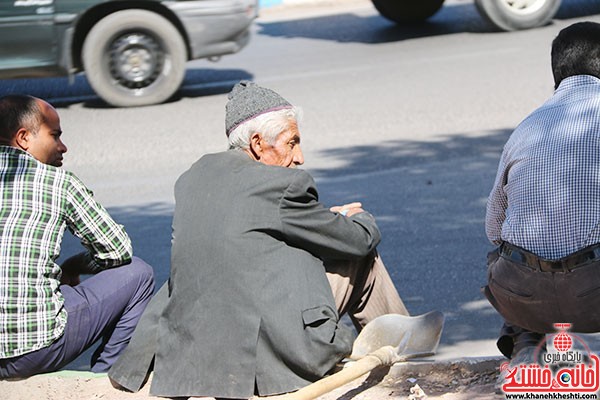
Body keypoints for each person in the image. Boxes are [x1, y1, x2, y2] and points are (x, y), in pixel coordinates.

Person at [109, 81, 411, 398]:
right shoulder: (282, 186)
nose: (300, 157)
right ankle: (406, 355)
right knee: (363, 257)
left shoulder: (193, 178)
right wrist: (358, 219)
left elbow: (255, 233)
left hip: (193, 348)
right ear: (257, 143)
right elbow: (357, 240)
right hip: (263, 349)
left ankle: (403, 349)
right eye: (291, 143)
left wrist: (324, 222)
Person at [0, 95, 155, 378]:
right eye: (55, 135)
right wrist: (74, 266)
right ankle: (108, 378)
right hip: (35, 349)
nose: (63, 147)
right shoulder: (57, 183)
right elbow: (117, 250)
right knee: (139, 273)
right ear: (23, 138)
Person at [483, 21, 600, 364]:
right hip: (594, 294)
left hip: (524, 298)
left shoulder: (526, 127)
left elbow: (493, 230)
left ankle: (525, 347)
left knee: (505, 255)